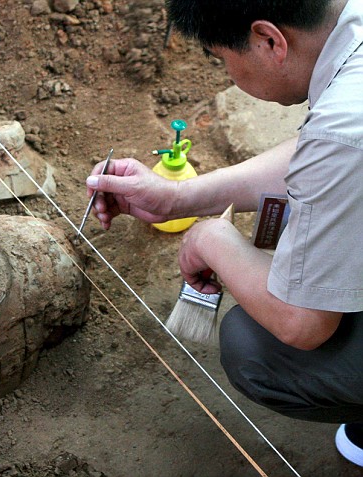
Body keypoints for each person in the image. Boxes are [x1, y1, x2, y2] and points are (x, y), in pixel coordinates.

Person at [85, 0, 363, 467]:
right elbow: (321, 159)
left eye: (221, 59)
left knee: (254, 348)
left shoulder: (344, 128)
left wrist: (210, 239)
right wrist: (177, 198)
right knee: (300, 221)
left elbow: (303, 324)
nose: (229, 74)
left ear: (270, 40)